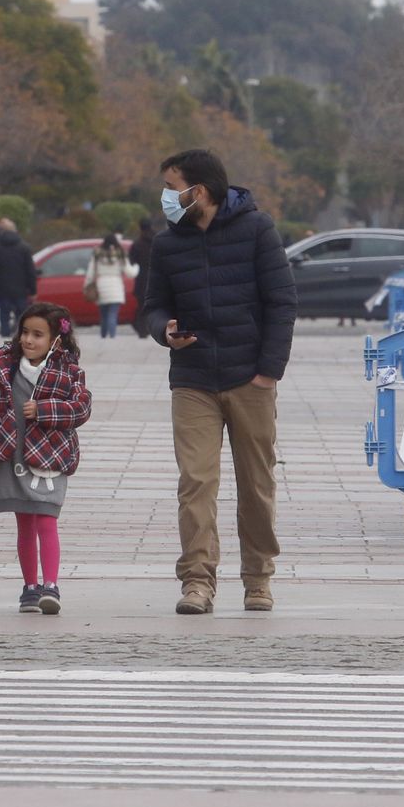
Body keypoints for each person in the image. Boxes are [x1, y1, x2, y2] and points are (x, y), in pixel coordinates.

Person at [142, 149, 297, 615]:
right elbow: (152, 306)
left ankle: (258, 578)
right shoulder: (167, 244)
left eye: (171, 188)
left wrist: (269, 371)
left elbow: (283, 302)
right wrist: (164, 331)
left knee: (256, 484)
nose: (166, 197)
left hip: (250, 378)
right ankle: (197, 581)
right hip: (192, 379)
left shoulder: (257, 229)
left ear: (200, 191)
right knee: (195, 482)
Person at [0, 302, 90, 614]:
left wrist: (45, 409)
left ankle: (51, 585)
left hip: (49, 459)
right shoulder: (4, 364)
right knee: (24, 524)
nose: (29, 340)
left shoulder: (68, 371)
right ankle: (30, 588)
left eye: (38, 334)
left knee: (47, 520)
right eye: (25, 332)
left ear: (56, 340)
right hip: (12, 456)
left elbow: (81, 408)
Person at [0, 217, 38, 338]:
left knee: (4, 317)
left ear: (0, 231)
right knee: (22, 318)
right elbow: (31, 271)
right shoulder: (24, 248)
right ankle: (21, 339)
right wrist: (33, 290)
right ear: (15, 230)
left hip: (2, 289)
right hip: (21, 289)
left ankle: (5, 340)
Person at [84, 233, 137, 339]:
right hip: (116, 286)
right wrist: (136, 267)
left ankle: (103, 337)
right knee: (113, 314)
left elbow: (90, 272)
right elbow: (130, 273)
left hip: (101, 285)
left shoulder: (97, 253)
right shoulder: (120, 253)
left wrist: (86, 285)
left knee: (103, 316)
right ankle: (112, 337)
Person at [129, 217, 155, 338]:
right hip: (157, 278)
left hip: (142, 280)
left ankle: (142, 330)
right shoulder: (158, 240)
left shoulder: (137, 244)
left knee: (141, 306)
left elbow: (131, 261)